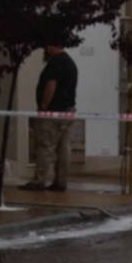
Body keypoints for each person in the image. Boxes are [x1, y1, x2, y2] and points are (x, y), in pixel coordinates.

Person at [22, 45, 78, 191]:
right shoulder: (71, 63)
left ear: (52, 46)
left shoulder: (55, 64)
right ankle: (61, 181)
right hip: (68, 111)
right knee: (63, 148)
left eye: (46, 47)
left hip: (52, 113)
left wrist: (43, 107)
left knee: (45, 146)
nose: (44, 51)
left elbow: (50, 86)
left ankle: (39, 180)